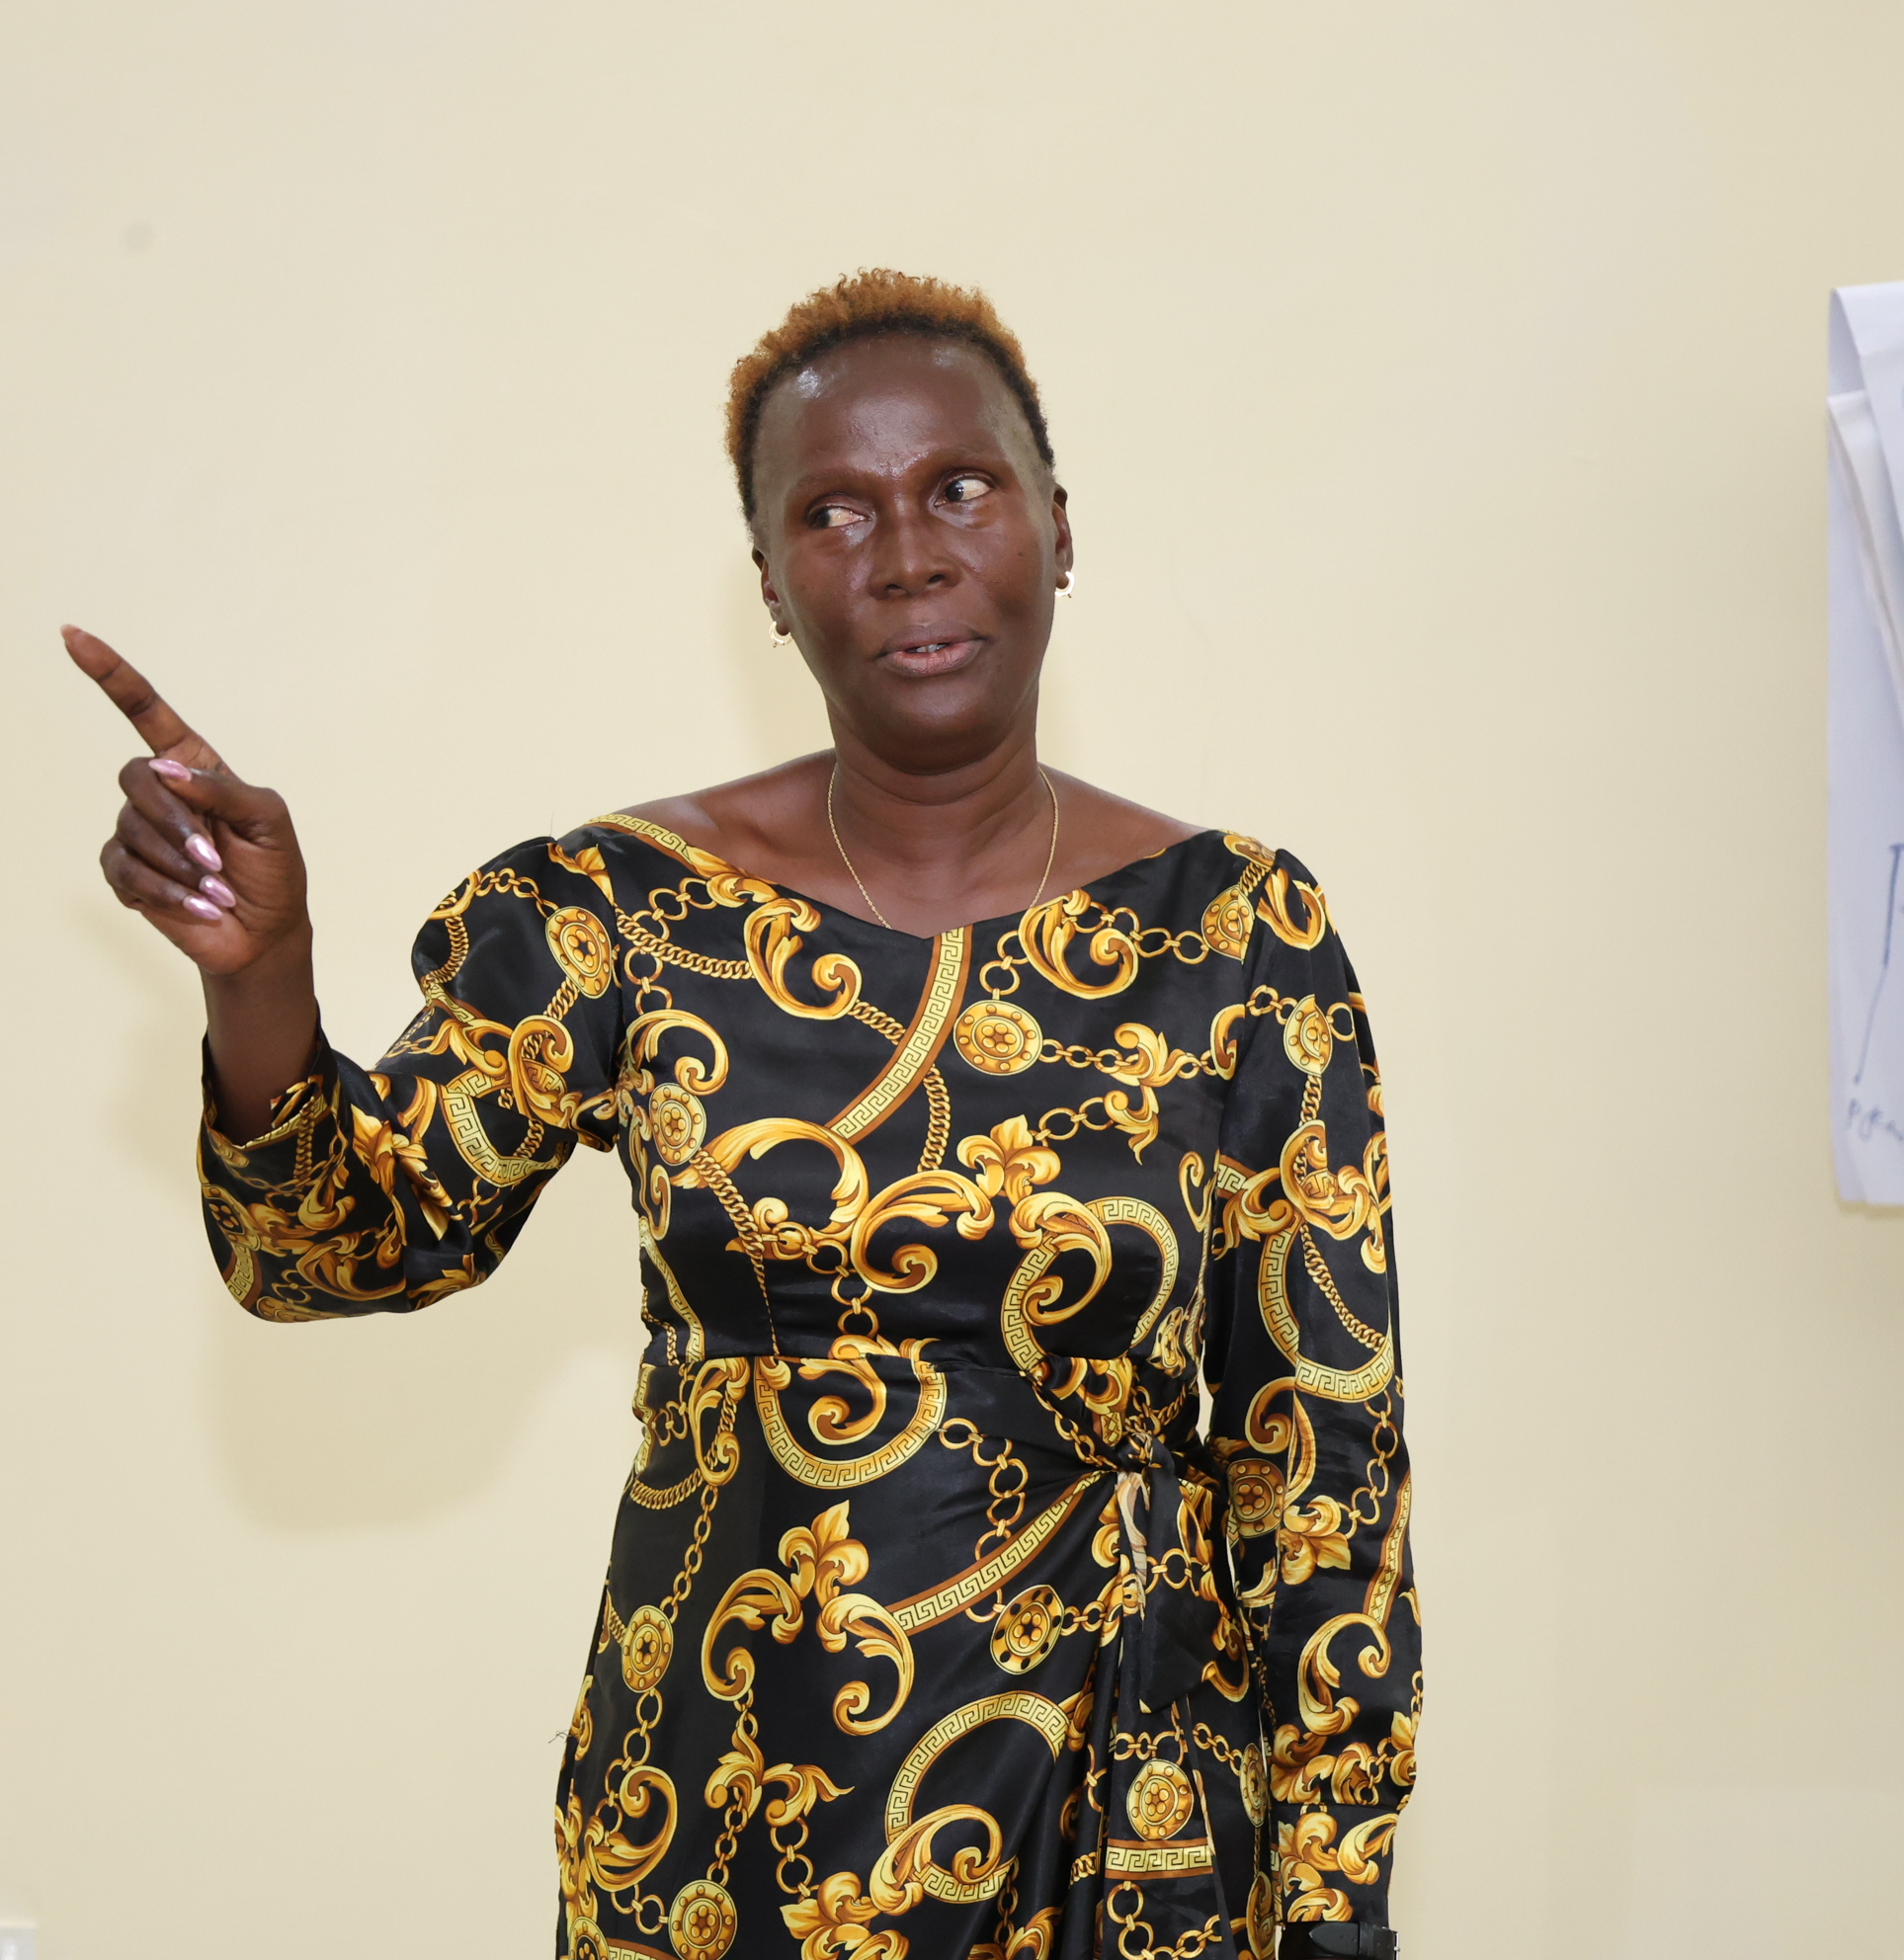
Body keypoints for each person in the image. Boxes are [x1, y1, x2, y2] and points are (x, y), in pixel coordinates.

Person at [68, 271, 1417, 1960]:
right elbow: (332, 1250)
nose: (906, 553)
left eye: (960, 488)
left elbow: (1325, 1460)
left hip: (1120, 1827)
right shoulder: (624, 912)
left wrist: (1336, 1904)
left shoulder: (1237, 936)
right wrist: (261, 978)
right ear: (772, 588)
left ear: (1058, 528)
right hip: (724, 1805)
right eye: (832, 513)